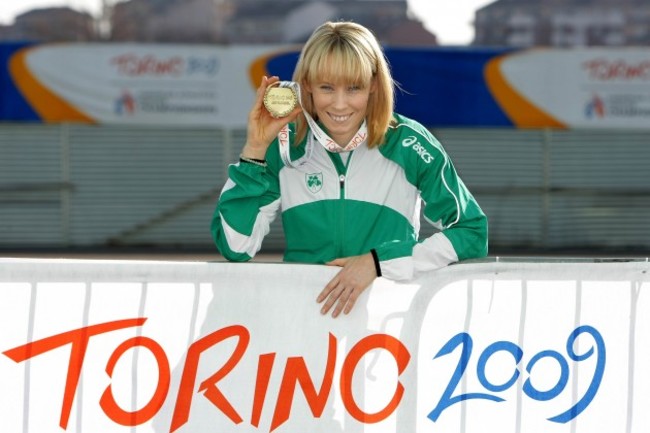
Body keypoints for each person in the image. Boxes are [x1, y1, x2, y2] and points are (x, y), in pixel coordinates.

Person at [211, 21, 488, 318]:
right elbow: (235, 247)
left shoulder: (409, 143)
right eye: (327, 87)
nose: (340, 105)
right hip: (301, 326)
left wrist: (377, 262)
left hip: (385, 327)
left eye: (353, 87)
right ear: (307, 87)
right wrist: (254, 150)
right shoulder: (284, 146)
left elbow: (472, 233)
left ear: (373, 86)